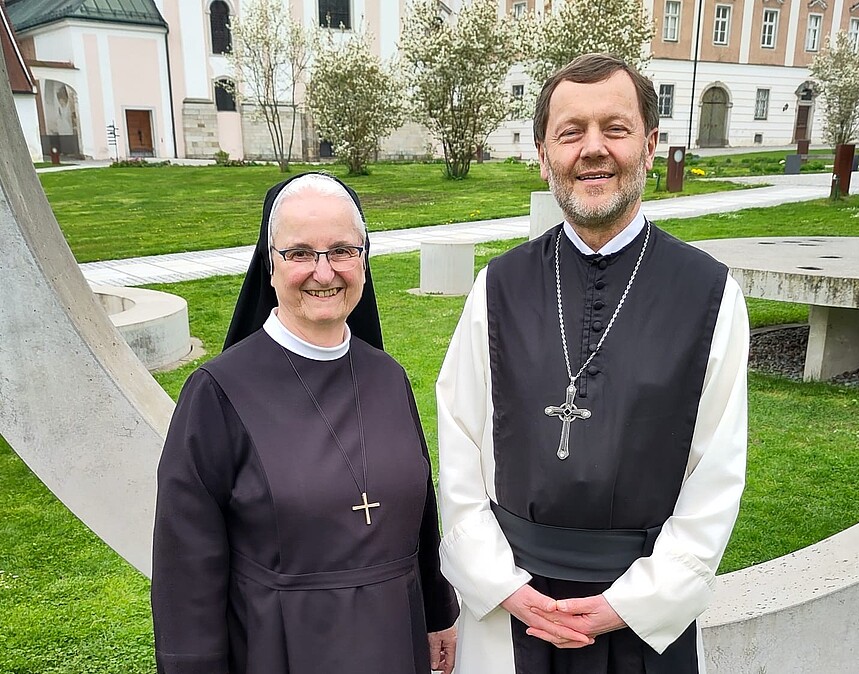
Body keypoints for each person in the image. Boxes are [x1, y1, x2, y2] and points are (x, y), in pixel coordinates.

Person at [436, 53, 749, 674]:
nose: (593, 149)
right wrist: (503, 588)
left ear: (651, 143)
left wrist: (632, 603)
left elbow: (717, 475)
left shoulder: (709, 296)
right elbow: (459, 449)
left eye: (616, 128)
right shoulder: (498, 288)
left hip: (640, 614)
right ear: (543, 151)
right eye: (570, 131)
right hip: (512, 610)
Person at [151, 172, 459, 674]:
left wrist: (438, 612)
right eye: (300, 253)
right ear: (269, 266)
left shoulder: (388, 377)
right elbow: (185, 569)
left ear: (364, 258)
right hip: (282, 651)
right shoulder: (218, 393)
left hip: (395, 643)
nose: (324, 272)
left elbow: (419, 516)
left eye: (342, 250)